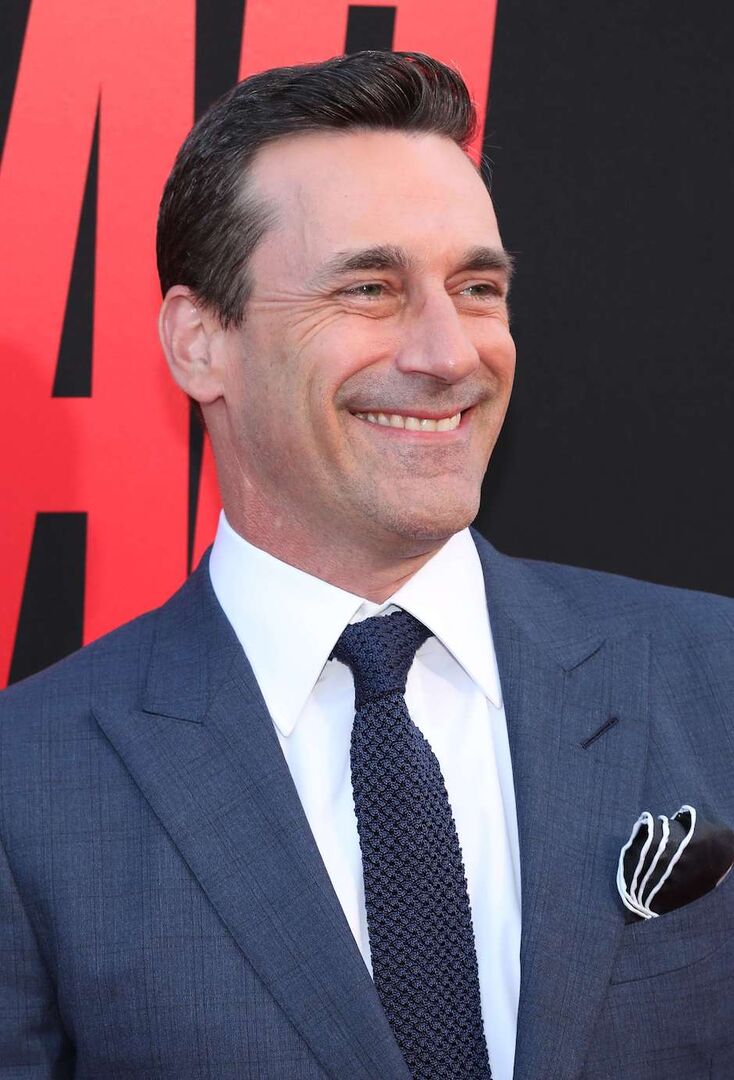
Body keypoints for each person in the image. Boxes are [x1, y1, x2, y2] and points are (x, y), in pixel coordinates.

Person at [0, 51, 732, 1080]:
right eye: (369, 288)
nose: (448, 353)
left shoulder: (713, 680)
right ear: (199, 343)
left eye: (476, 287)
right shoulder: (28, 786)